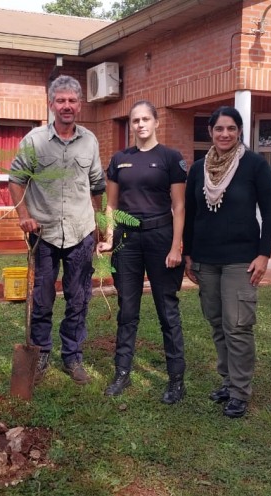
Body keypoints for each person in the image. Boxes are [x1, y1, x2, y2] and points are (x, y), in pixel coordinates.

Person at [8, 75, 106, 386]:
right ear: (51, 105)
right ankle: (40, 355)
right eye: (60, 100)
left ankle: (73, 357)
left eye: (72, 101)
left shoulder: (90, 141)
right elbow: (16, 180)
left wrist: (99, 224)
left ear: (80, 105)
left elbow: (96, 186)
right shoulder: (34, 141)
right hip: (45, 234)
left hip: (80, 232)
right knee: (43, 297)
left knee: (79, 298)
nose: (66, 106)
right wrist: (24, 215)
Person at [183, 106, 271, 418]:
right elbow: (191, 214)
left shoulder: (254, 166)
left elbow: (270, 213)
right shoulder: (198, 169)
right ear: (210, 132)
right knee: (217, 324)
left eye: (231, 129)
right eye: (219, 128)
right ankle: (227, 381)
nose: (225, 134)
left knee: (238, 326)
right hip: (206, 261)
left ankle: (239, 391)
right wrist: (188, 254)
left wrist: (264, 254)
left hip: (241, 260)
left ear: (240, 132)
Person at [96, 100, 188, 403]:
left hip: (161, 238)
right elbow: (111, 205)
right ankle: (122, 373)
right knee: (128, 311)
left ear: (157, 122)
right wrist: (109, 237)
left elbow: (179, 205)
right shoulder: (119, 159)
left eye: (146, 119)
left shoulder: (170, 158)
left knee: (167, 310)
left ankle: (176, 380)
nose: (140, 125)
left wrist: (177, 245)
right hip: (127, 240)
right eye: (135, 120)